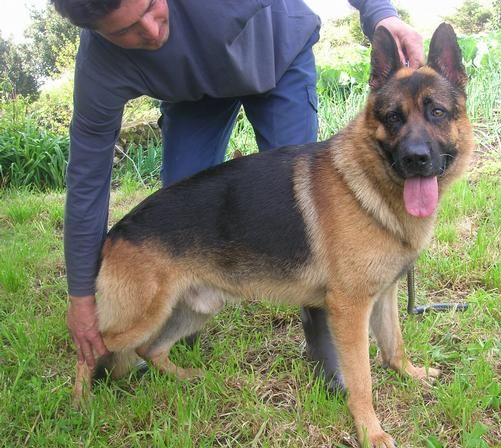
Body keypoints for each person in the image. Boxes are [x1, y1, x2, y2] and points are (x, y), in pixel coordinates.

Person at [52, 0, 424, 390]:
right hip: (194, 93)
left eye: (149, 6)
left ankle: (325, 343)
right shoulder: (99, 67)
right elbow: (86, 181)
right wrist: (80, 294)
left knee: (309, 213)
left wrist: (380, 13)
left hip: (277, 57)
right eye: (125, 30)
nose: (149, 30)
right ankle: (173, 323)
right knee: (180, 217)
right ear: (96, 34)